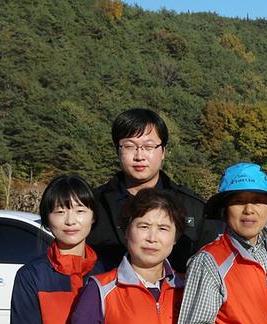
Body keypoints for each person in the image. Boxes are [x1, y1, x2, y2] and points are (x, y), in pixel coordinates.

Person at [175, 163, 267, 324]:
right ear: (224, 209)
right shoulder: (209, 261)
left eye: (257, 200)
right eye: (238, 201)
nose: (249, 210)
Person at [87, 108, 218, 273]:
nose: (139, 156)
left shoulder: (193, 207)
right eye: (129, 146)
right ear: (117, 150)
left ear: (163, 151)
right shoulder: (91, 205)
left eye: (148, 147)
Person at [70, 189, 186, 324]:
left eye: (163, 228)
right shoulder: (100, 289)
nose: (152, 238)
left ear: (175, 238)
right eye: (144, 226)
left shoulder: (187, 288)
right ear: (126, 231)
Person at [10, 175, 105, 324]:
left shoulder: (108, 272)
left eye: (80, 211)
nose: (70, 221)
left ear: (93, 216)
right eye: (60, 212)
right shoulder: (31, 276)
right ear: (46, 218)